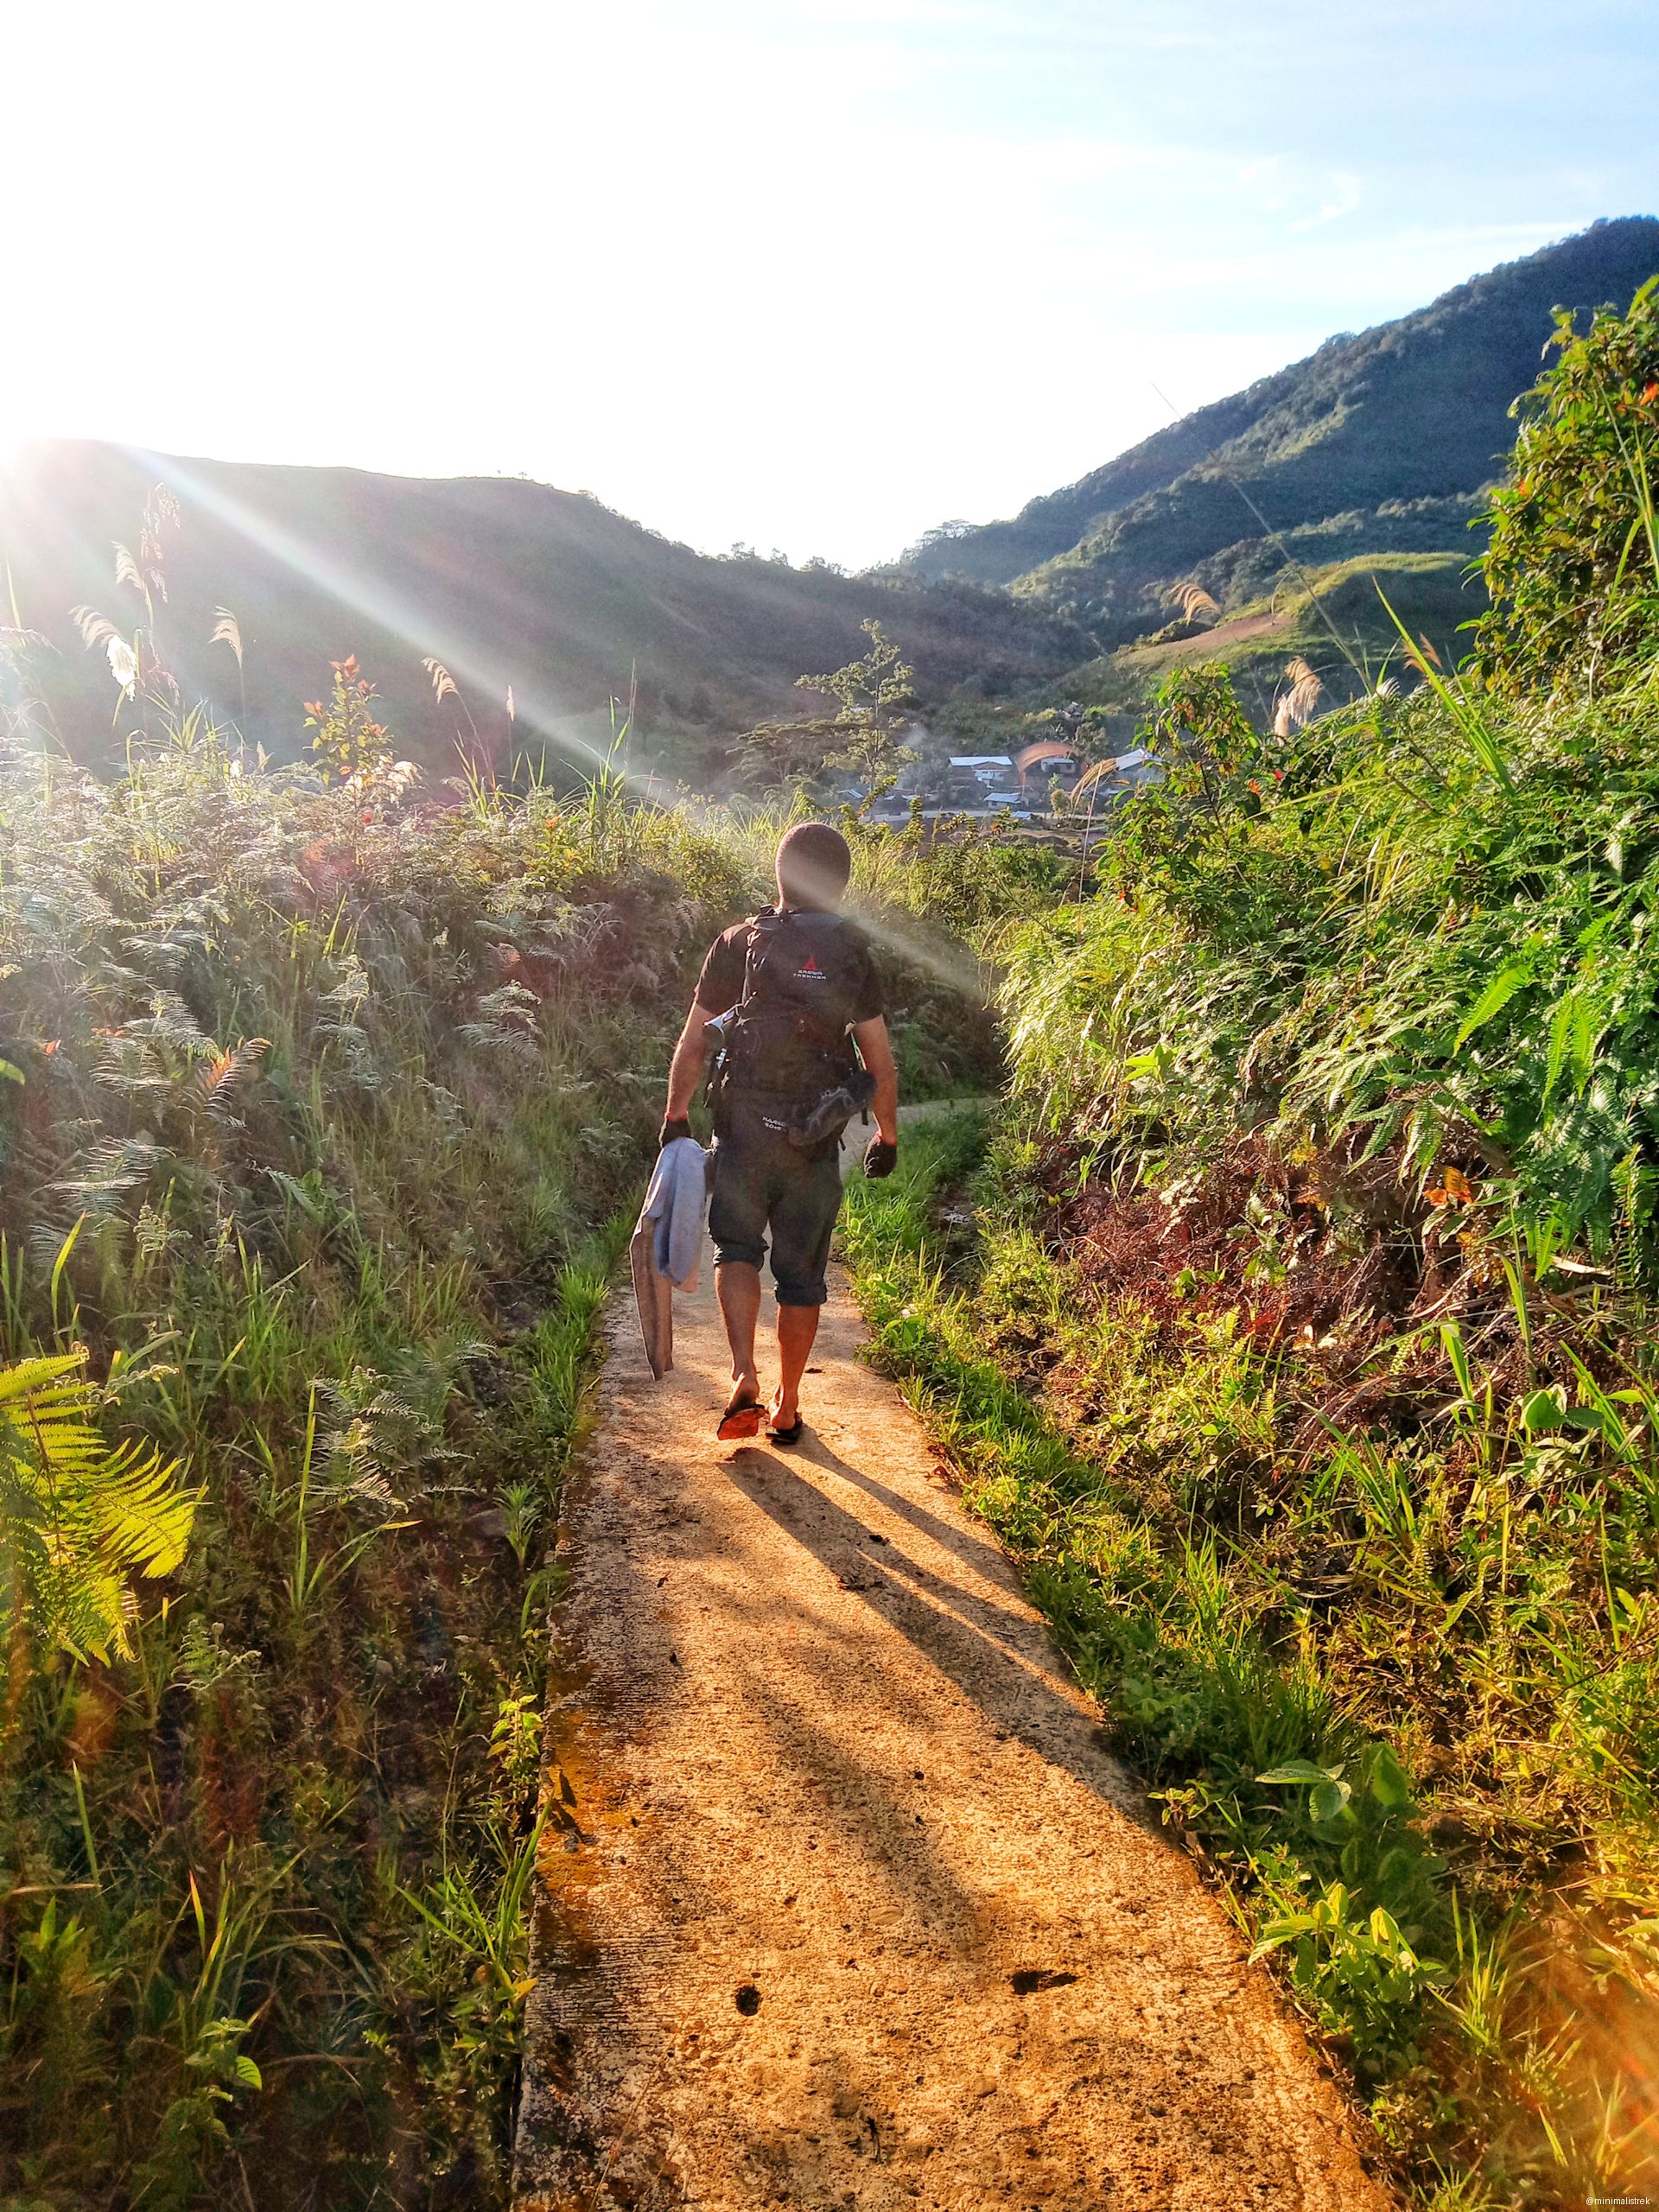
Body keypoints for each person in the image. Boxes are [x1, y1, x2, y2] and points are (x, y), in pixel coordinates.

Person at [659, 822, 899, 1445]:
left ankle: (743, 1372)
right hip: (813, 1141)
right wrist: (887, 1136)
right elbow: (878, 1060)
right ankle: (788, 1403)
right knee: (801, 1278)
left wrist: (675, 1114)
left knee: (735, 1249)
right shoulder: (851, 953)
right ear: (841, 886)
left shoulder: (738, 941)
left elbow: (694, 1041)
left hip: (742, 1131)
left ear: (779, 874)